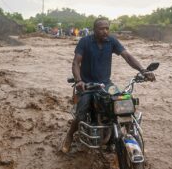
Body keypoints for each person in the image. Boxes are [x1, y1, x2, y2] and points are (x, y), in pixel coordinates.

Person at [61, 17, 156, 153]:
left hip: (106, 83)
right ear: (94, 30)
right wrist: (78, 80)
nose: (105, 31)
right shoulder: (85, 42)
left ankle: (128, 134)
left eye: (107, 28)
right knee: (81, 112)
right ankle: (69, 136)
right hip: (87, 85)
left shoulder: (111, 41)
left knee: (122, 102)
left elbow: (127, 56)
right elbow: (76, 62)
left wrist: (143, 70)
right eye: (101, 29)